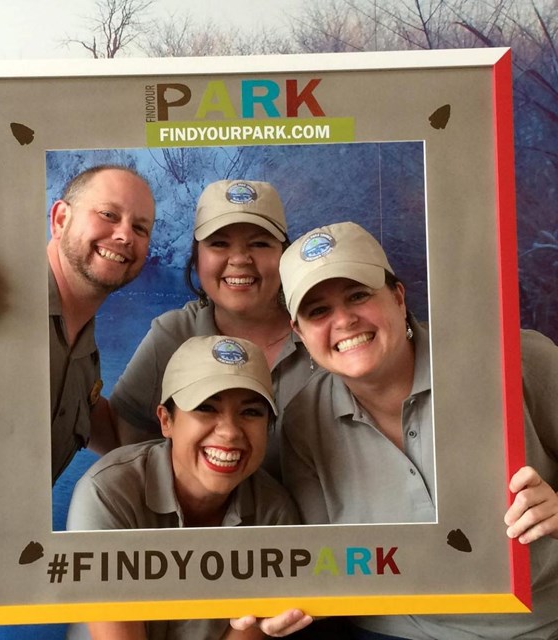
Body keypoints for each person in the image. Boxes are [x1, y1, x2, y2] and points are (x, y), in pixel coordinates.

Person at [250, 221, 557, 639]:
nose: (344, 320)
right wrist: (283, 602)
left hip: (539, 623)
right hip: (392, 630)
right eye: (318, 311)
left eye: (358, 294)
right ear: (299, 333)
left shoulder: (516, 360)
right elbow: (327, 565)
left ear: (397, 297)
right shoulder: (301, 422)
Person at [0, 164, 155, 639]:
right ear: (60, 217)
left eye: (141, 227)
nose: (124, 235)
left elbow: (110, 435)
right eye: (108, 214)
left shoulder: (86, 355)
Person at [66, 335, 300, 640]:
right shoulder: (107, 494)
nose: (229, 432)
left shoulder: (274, 513)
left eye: (251, 412)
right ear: (166, 421)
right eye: (206, 407)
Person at [93, 179, 317, 480]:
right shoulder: (172, 335)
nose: (239, 259)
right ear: (196, 259)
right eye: (219, 243)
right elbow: (123, 442)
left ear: (284, 256)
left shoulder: (324, 333)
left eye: (259, 243)